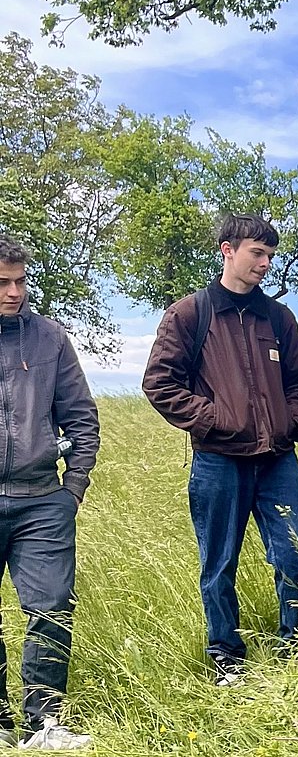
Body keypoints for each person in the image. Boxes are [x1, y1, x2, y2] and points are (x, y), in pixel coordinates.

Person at [142, 215, 298, 686]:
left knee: (296, 553)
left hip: (277, 459)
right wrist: (216, 420)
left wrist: (292, 423)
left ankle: (297, 650)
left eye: (270, 255)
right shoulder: (189, 315)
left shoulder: (277, 318)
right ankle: (226, 659)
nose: (265, 264)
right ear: (227, 250)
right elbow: (159, 383)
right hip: (218, 460)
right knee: (219, 562)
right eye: (257, 253)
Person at [0, 236, 98, 749]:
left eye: (20, 281)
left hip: (42, 499)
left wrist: (72, 489)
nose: (14, 292)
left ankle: (44, 724)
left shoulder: (50, 337)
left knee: (52, 610)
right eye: (3, 283)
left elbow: (81, 417)